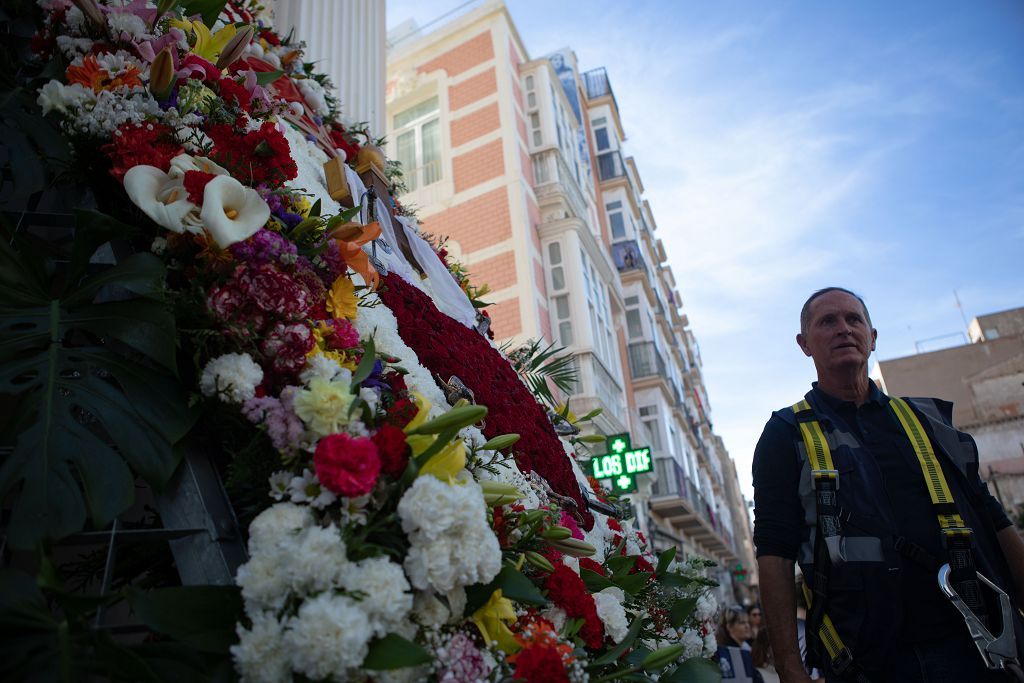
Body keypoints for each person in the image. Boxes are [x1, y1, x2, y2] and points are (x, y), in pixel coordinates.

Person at [753, 287, 1024, 683]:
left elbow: (991, 517)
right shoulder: (785, 434)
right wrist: (789, 667)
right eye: (827, 322)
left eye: (853, 319)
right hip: (865, 661)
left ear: (873, 337)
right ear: (804, 344)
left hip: (973, 647)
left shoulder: (927, 421)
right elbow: (774, 551)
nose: (843, 329)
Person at [718, 605, 765, 683]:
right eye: (742, 623)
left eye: (748, 622)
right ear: (729, 627)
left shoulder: (746, 649)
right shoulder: (725, 654)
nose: (747, 626)